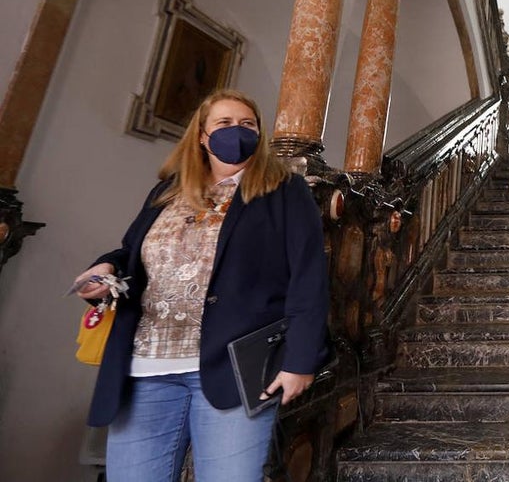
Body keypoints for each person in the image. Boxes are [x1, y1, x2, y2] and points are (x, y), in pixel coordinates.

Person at [72, 89, 329, 482]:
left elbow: (308, 276)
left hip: (234, 366)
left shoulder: (283, 190)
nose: (237, 131)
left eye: (248, 124)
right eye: (224, 123)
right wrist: (103, 269)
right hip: (146, 367)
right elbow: (132, 253)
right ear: (202, 136)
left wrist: (300, 361)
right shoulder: (167, 192)